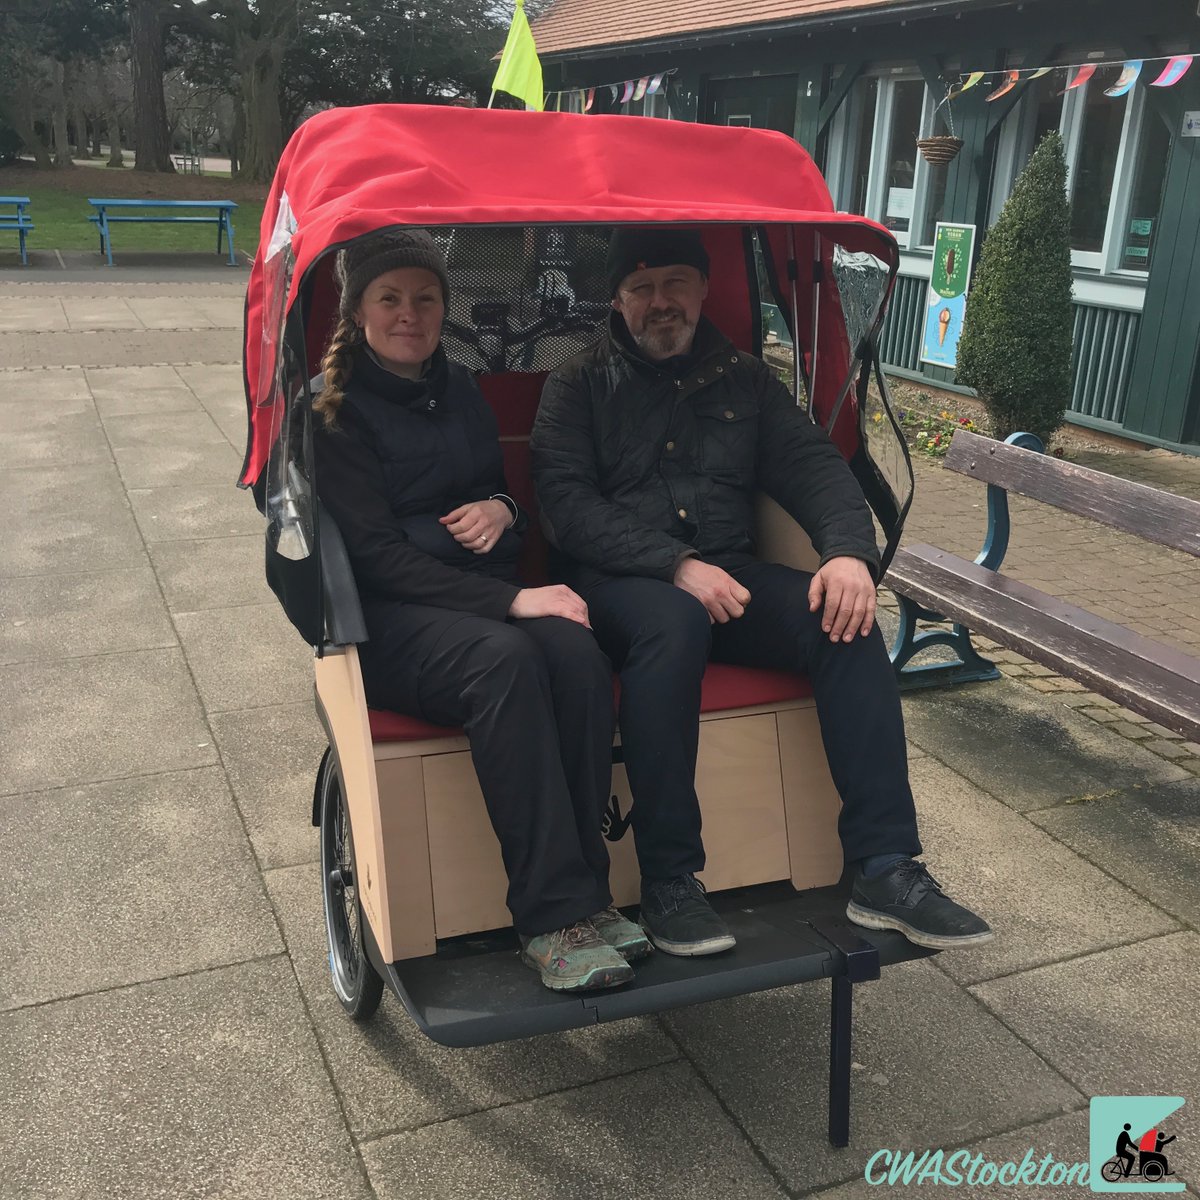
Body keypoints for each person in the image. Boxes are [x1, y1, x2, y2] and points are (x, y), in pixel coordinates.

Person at [530, 227, 994, 956]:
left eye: (676, 284)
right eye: (643, 289)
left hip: (730, 577)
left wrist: (847, 556)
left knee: (843, 621)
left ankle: (884, 866)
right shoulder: (578, 384)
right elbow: (565, 506)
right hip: (621, 586)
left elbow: (813, 468)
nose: (662, 303)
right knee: (673, 623)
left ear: (703, 290)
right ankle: (670, 880)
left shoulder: (746, 379)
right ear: (617, 300)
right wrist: (675, 563)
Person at [311, 227, 651, 992]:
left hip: (471, 599)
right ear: (358, 311)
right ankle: (547, 917)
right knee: (506, 660)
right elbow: (377, 559)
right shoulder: (334, 412)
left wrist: (502, 510)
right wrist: (513, 595)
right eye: (390, 299)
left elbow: (498, 491)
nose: (410, 314)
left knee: (575, 652)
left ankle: (588, 897)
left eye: (425, 299)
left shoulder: (458, 387)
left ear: (444, 307)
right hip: (387, 622)